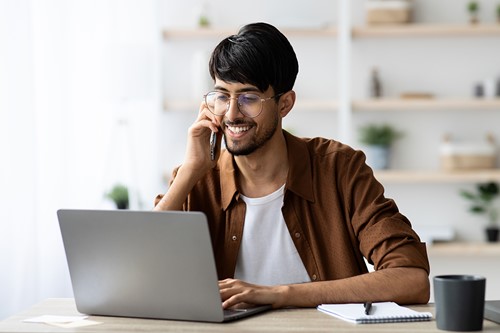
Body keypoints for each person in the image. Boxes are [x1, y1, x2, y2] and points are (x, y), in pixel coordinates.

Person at [154, 22, 430, 309]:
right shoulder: (196, 176)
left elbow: (411, 279)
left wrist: (281, 295)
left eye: (249, 98)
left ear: (285, 104)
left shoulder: (339, 168)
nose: (232, 114)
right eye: (222, 96)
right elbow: (139, 272)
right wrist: (189, 172)